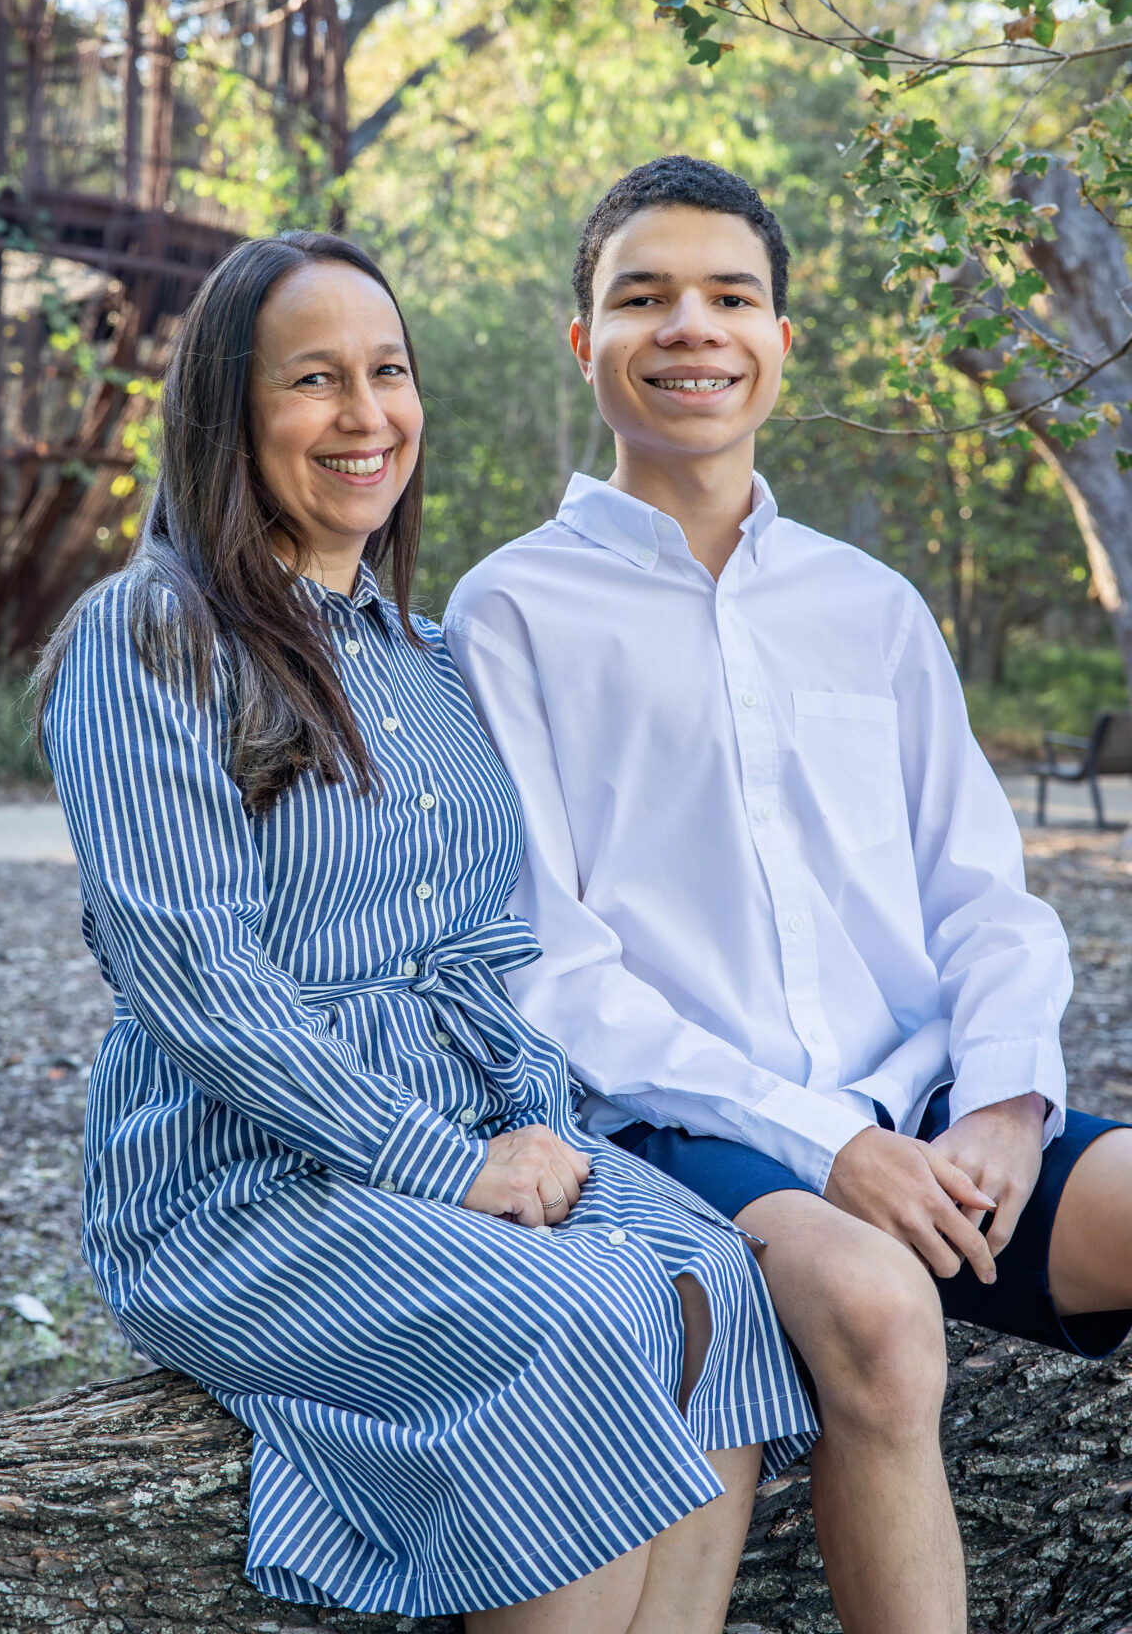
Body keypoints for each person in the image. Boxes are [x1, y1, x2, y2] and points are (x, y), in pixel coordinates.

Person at [35, 229, 816, 1634]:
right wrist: (444, 1166)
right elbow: (195, 980)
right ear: (229, 413)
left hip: (464, 1139)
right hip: (241, 1183)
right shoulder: (148, 633)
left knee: (712, 1283)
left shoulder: (430, 653)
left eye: (388, 373)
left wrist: (531, 1117)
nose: (365, 416)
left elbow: (480, 954)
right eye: (314, 381)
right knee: (573, 1326)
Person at [443, 155, 1132, 1634]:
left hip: (942, 1114)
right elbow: (553, 968)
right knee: (882, 1321)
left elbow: (984, 897)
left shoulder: (871, 604)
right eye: (644, 297)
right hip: (691, 1132)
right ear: (586, 344)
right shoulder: (507, 612)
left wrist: (1009, 1097)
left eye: (729, 295)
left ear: (779, 340)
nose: (691, 327)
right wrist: (832, 1151)